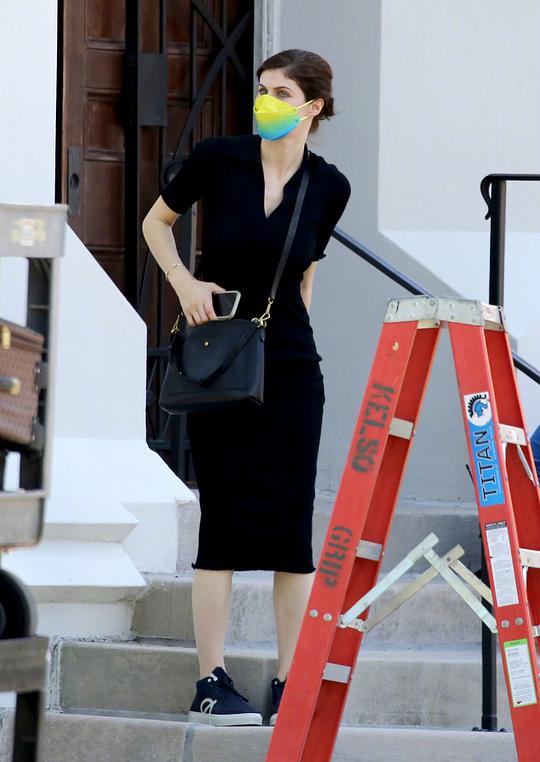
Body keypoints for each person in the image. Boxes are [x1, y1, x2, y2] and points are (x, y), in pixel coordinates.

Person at [142, 48, 351, 727]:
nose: (266, 101)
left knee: (292, 529)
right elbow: (155, 223)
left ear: (313, 106)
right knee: (224, 521)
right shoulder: (219, 159)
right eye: (262, 89)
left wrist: (284, 344)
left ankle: (291, 682)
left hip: (290, 367)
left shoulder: (329, 186)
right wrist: (184, 283)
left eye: (280, 93)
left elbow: (306, 274)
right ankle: (210, 680)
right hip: (219, 360)